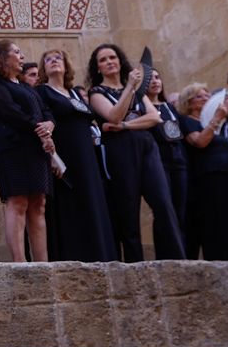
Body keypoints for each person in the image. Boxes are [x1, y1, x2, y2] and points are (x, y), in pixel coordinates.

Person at [87, 44, 185, 261]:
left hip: (146, 146)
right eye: (103, 60)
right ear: (98, 68)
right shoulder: (96, 93)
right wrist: (130, 87)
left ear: (120, 61)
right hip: (119, 151)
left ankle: (177, 260)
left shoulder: (137, 90)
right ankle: (135, 267)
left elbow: (154, 117)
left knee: (163, 203)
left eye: (112, 57)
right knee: (128, 212)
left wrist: (124, 126)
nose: (109, 61)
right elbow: (113, 115)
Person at [36, 49, 116, 263]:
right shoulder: (42, 91)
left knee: (92, 201)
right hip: (65, 156)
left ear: (66, 65)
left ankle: (100, 256)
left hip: (87, 157)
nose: (54, 61)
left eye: (58, 58)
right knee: (71, 205)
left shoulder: (73, 93)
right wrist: (52, 156)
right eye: (48, 59)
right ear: (44, 68)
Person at [0, 41, 54, 262]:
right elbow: (9, 111)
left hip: (34, 148)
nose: (21, 56)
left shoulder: (24, 86)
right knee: (18, 201)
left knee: (38, 203)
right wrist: (38, 128)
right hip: (13, 149)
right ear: (2, 57)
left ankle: (42, 262)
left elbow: (44, 109)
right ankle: (20, 262)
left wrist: (50, 124)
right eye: (16, 52)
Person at [179, 83, 228, 260]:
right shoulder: (188, 121)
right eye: (200, 96)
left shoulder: (215, 124)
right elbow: (200, 142)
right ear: (189, 103)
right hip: (210, 178)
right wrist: (216, 119)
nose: (206, 99)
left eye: (207, 95)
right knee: (218, 220)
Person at [145, 69, 191, 249]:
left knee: (180, 207)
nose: (155, 81)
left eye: (157, 77)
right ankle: (167, 252)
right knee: (164, 208)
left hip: (179, 159)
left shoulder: (170, 107)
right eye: (150, 79)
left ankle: (180, 249)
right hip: (159, 159)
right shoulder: (144, 108)